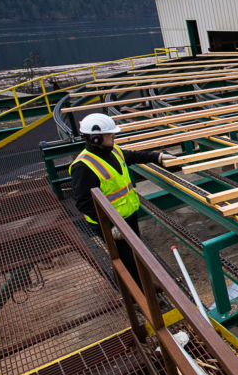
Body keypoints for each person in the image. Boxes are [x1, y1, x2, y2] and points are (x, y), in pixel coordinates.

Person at [70, 113, 176, 286]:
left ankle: (143, 286)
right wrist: (109, 226)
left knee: (135, 253)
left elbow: (133, 156)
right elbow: (84, 203)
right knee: (124, 259)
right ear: (95, 138)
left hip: (127, 215)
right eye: (109, 133)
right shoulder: (84, 166)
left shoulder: (112, 151)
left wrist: (157, 157)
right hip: (109, 223)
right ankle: (134, 295)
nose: (114, 135)